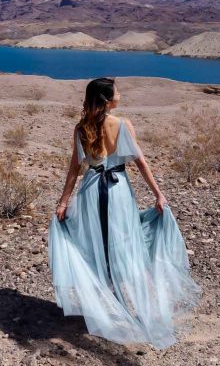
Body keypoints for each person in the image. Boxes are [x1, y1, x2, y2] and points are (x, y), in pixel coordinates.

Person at [48, 76, 201, 349]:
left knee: (100, 249)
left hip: (92, 191)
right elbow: (141, 163)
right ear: (108, 100)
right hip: (117, 193)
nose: (121, 95)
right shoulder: (123, 125)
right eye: (118, 92)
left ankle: (107, 311)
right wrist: (158, 193)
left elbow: (75, 169)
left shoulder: (81, 128)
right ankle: (140, 312)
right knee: (128, 248)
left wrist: (63, 202)